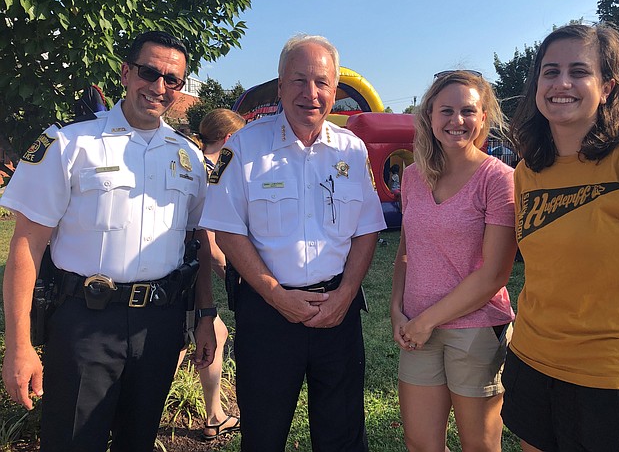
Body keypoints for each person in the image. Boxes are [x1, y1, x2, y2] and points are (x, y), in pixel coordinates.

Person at [0, 31, 217, 452]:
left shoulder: (188, 158)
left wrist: (205, 314)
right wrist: (19, 344)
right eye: (149, 73)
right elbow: (26, 245)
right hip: (85, 322)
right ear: (125, 72)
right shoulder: (70, 143)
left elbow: (199, 242)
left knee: (139, 441)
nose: (159, 87)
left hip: (160, 324)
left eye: (173, 80)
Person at [199, 34, 386, 451]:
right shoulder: (245, 145)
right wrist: (275, 294)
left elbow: (367, 228)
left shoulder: (352, 150)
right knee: (264, 435)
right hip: (267, 315)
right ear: (280, 85)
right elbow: (228, 229)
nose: (310, 93)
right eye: (298, 80)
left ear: (335, 91)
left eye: (322, 82)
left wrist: (347, 293)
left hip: (337, 313)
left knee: (342, 436)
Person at [501, 23, 619, 452]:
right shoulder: (527, 171)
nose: (562, 83)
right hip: (533, 360)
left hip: (615, 375)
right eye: (549, 71)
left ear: (607, 87)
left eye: (579, 71)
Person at [390, 70, 517, 452]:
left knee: (478, 445)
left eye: (467, 111)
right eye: (446, 110)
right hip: (416, 328)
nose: (456, 121)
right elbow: (405, 251)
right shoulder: (413, 177)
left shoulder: (498, 180)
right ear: (429, 115)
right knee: (420, 443)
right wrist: (397, 309)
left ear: (482, 118)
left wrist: (426, 321)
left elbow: (494, 273)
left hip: (475, 330)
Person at [177, 108, 245, 440]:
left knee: (213, 334)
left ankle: (215, 413)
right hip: (187, 274)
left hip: (176, 270)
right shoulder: (210, 171)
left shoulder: (189, 163)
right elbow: (209, 240)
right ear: (231, 138)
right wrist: (237, 277)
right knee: (180, 345)